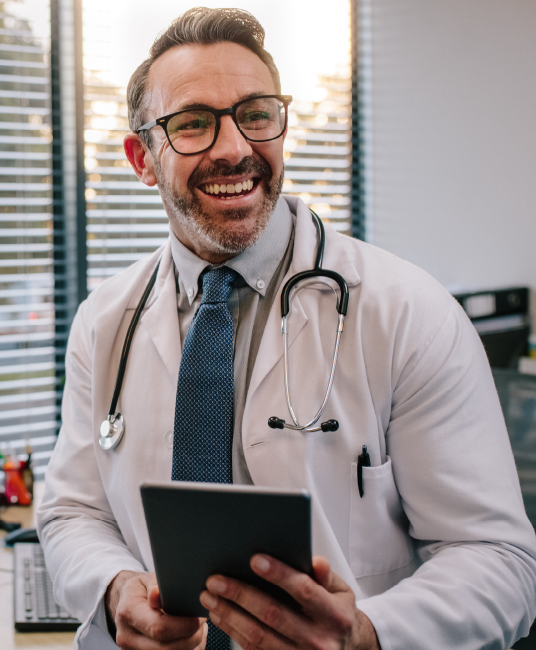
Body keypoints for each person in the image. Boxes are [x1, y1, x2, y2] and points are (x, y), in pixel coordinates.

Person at [37, 7, 536, 650]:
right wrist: (113, 589)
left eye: (256, 114)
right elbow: (72, 511)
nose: (235, 149)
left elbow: (501, 561)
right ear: (142, 159)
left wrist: (367, 633)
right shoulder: (106, 321)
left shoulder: (407, 311)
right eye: (193, 124)